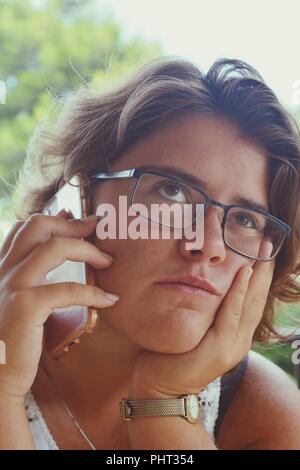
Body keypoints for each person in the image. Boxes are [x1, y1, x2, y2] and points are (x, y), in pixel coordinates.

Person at [0, 56, 300, 450]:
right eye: (171, 191)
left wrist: (161, 401)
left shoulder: (261, 411)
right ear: (78, 198)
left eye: (246, 219)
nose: (207, 245)